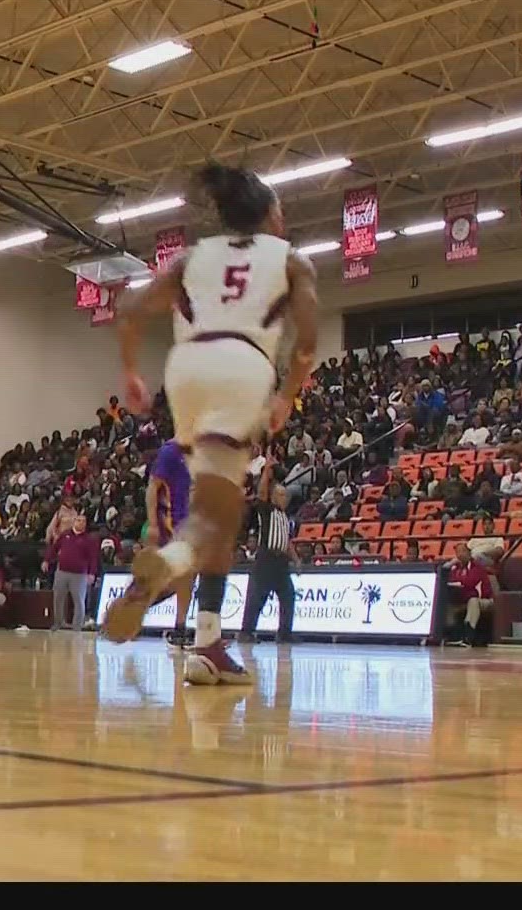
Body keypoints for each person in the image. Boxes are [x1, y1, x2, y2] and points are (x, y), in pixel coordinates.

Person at [102, 162, 320, 689]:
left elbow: (128, 308)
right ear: (270, 215)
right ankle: (168, 563)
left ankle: (208, 645)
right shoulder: (291, 260)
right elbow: (308, 344)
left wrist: (131, 372)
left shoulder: (189, 258)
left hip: (186, 370)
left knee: (222, 511)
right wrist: (286, 396)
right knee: (211, 517)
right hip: (242, 367)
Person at [145, 438, 196, 647]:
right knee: (179, 575)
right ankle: (135, 605)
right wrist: (153, 523)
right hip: (170, 522)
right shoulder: (171, 451)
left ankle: (180, 626)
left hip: (190, 523)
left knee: (187, 577)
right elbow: (152, 487)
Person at [239, 485, 296, 642]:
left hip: (281, 561)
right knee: (256, 597)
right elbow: (262, 491)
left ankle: (284, 633)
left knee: (288, 597)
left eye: (287, 495)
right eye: (282, 495)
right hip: (266, 558)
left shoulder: (285, 517)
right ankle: (246, 632)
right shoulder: (267, 510)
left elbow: (287, 540)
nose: (286, 498)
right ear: (275, 497)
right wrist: (268, 468)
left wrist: (296, 559)